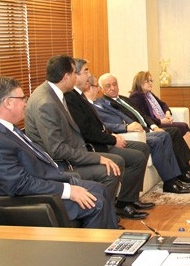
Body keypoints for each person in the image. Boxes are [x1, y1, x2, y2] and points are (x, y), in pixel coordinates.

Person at [0, 76, 118, 229]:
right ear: (8, 103)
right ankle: (92, 244)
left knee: (101, 189)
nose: (25, 103)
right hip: (29, 200)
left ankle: (113, 241)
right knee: (97, 203)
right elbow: (19, 185)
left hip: (43, 182)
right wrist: (68, 191)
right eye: (22, 98)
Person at [24, 55, 123, 206]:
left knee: (115, 162)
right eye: (74, 74)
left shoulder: (55, 93)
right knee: (110, 171)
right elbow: (57, 150)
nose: (76, 78)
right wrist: (96, 158)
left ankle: (106, 210)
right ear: (66, 77)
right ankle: (98, 211)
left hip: (71, 155)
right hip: (60, 166)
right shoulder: (46, 103)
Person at [64, 58, 152, 218]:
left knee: (143, 148)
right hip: (96, 146)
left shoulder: (79, 96)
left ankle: (130, 198)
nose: (89, 75)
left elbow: (98, 124)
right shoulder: (70, 98)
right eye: (86, 71)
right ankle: (122, 204)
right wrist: (112, 140)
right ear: (75, 75)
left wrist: (112, 135)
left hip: (104, 140)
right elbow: (86, 131)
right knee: (136, 157)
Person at [85, 76, 190, 194]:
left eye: (114, 84)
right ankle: (171, 180)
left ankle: (174, 177)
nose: (111, 88)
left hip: (137, 129)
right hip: (124, 134)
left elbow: (128, 115)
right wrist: (126, 127)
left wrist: (145, 126)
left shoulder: (104, 102)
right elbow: (104, 125)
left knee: (167, 135)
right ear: (89, 87)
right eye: (102, 86)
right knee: (159, 139)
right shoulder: (92, 105)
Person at [129, 70, 190, 165]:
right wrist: (160, 121)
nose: (150, 83)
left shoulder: (149, 94)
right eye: (147, 81)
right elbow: (143, 117)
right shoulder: (136, 97)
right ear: (139, 82)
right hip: (152, 126)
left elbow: (163, 104)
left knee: (184, 126)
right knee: (180, 128)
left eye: (151, 81)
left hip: (159, 122)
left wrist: (167, 113)